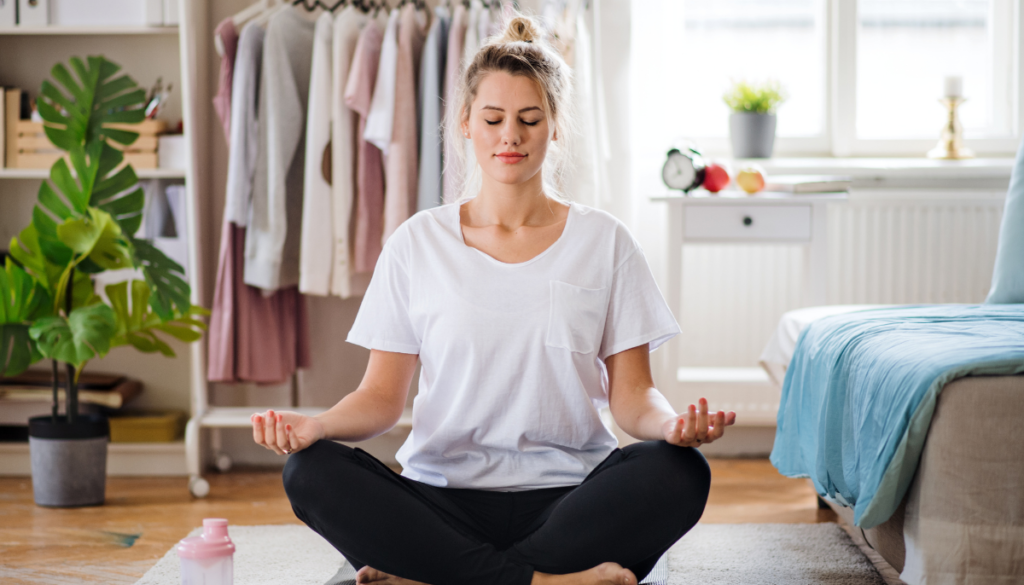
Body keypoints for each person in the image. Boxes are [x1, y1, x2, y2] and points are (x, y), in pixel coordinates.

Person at [251, 13, 736, 585]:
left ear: (554, 127)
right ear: (465, 123)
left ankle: (437, 576)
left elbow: (633, 396)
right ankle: (543, 582)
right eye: (493, 118)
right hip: (441, 499)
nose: (511, 135)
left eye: (529, 119)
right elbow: (381, 398)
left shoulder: (605, 241)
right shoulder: (416, 243)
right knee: (310, 471)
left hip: (569, 499)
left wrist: (672, 426)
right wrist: (318, 426)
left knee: (679, 472)